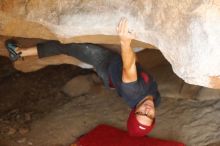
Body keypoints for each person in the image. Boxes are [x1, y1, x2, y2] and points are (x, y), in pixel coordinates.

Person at [5, 18, 160, 137]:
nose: (148, 110)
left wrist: (125, 43)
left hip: (106, 64)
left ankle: (19, 53)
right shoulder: (155, 100)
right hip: (115, 80)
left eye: (142, 114)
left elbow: (129, 68)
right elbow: (133, 69)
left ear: (134, 112)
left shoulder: (134, 91)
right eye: (150, 116)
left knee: (69, 47)